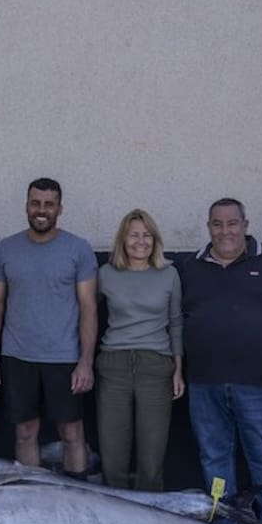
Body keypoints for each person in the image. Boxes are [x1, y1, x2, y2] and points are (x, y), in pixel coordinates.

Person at [177, 198, 262, 524]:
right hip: (204, 383)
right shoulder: (189, 267)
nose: (225, 231)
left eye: (232, 223)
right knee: (214, 458)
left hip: (259, 384)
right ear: (208, 227)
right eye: (217, 224)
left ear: (245, 225)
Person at [0, 178, 97, 473]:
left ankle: (76, 494)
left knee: (71, 433)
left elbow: (88, 307)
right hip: (17, 356)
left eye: (49, 204)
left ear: (60, 208)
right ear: (26, 206)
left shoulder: (78, 249)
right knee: (24, 432)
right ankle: (31, 493)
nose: (41, 210)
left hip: (65, 357)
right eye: (35, 203)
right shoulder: (7, 249)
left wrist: (85, 361)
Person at [95, 209, 184, 490]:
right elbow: (88, 314)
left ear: (155, 240)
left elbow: (176, 323)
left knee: (152, 457)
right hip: (113, 366)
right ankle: (114, 513)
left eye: (147, 235)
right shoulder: (106, 274)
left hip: (155, 367)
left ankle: (148, 514)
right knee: (113, 456)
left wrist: (178, 369)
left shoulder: (169, 274)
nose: (141, 241)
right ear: (122, 239)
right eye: (134, 235)